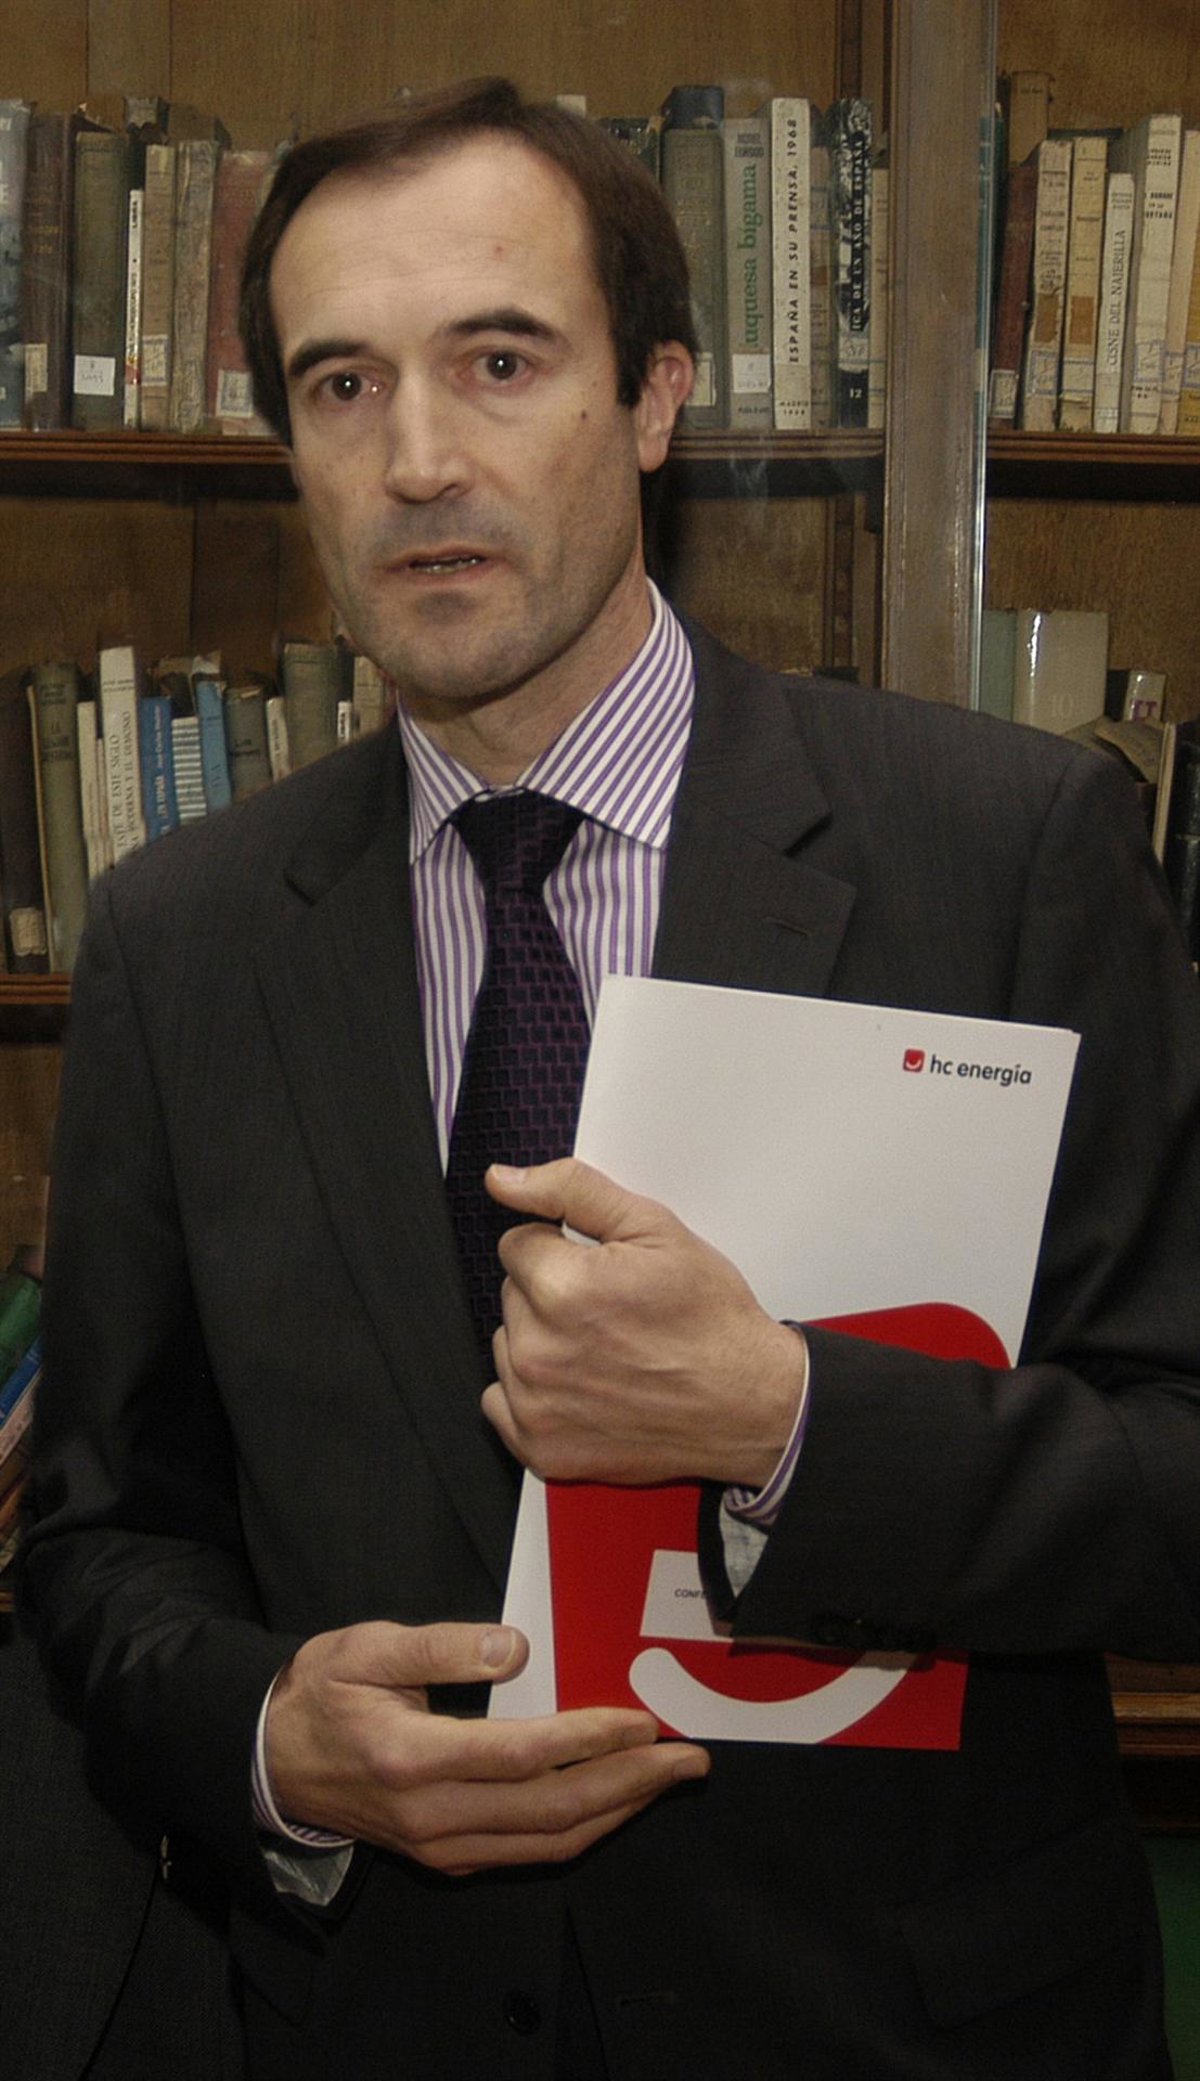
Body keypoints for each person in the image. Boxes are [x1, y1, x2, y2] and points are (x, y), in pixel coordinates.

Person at [24, 77, 1200, 2080]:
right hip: (379, 2017)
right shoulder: (178, 937)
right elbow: (106, 1532)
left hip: (898, 2028)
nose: (417, 460)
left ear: (656, 398)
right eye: (340, 386)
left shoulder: (1007, 852)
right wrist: (270, 1740)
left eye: (500, 361)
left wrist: (787, 1422)